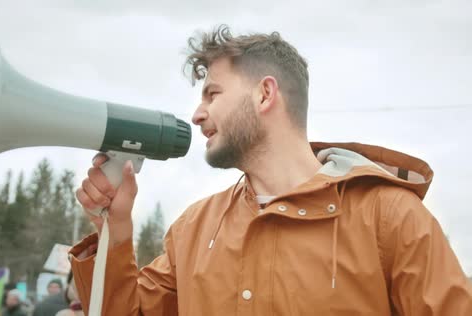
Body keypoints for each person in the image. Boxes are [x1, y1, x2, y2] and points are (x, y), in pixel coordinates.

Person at [70, 25, 472, 315]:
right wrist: (115, 231)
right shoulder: (194, 229)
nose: (197, 114)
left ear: (265, 94)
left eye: (213, 93)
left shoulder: (389, 217)